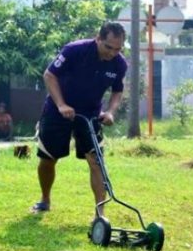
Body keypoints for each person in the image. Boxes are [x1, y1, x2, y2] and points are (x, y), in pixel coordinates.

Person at [31, 22, 127, 215]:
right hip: (58, 110)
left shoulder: (119, 63)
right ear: (98, 39)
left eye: (118, 49)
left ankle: (100, 214)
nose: (113, 53)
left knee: (96, 160)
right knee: (49, 158)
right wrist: (61, 105)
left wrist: (110, 112)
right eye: (109, 47)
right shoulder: (74, 51)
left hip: (90, 114)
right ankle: (45, 199)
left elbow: (118, 90)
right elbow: (49, 75)